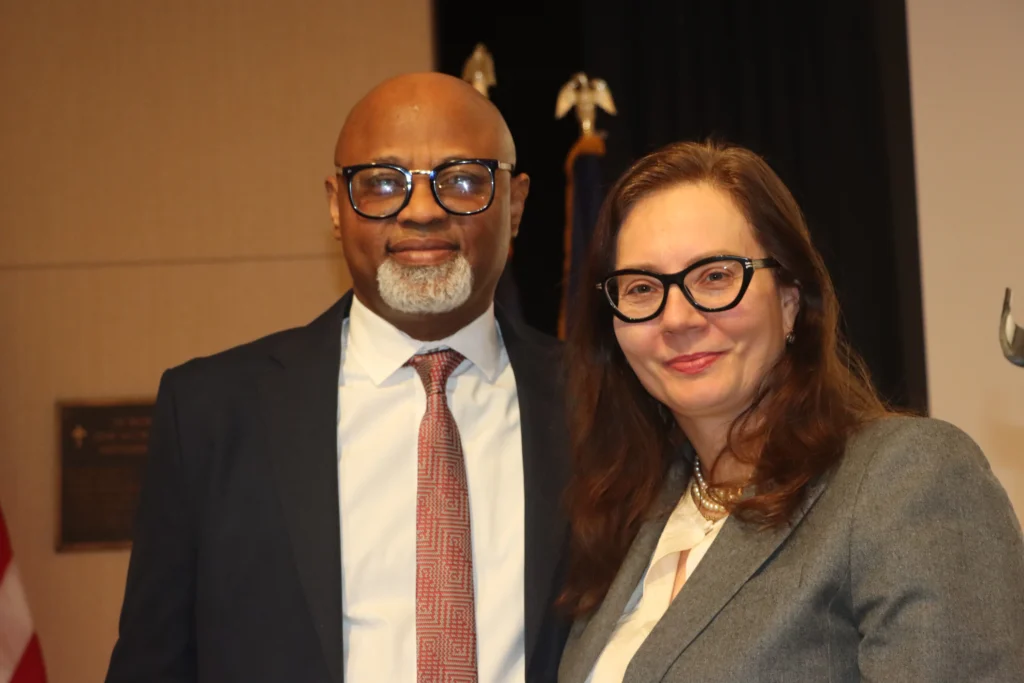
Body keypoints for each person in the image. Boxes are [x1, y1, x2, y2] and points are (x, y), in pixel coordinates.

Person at [105, 72, 570, 683]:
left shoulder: (604, 404)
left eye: (461, 181)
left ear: (516, 205)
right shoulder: (211, 413)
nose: (423, 211)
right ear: (335, 206)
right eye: (381, 183)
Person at [557, 140, 1024, 683]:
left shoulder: (907, 478)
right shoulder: (630, 518)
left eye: (715, 276)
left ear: (790, 300)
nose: (677, 317)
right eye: (641, 288)